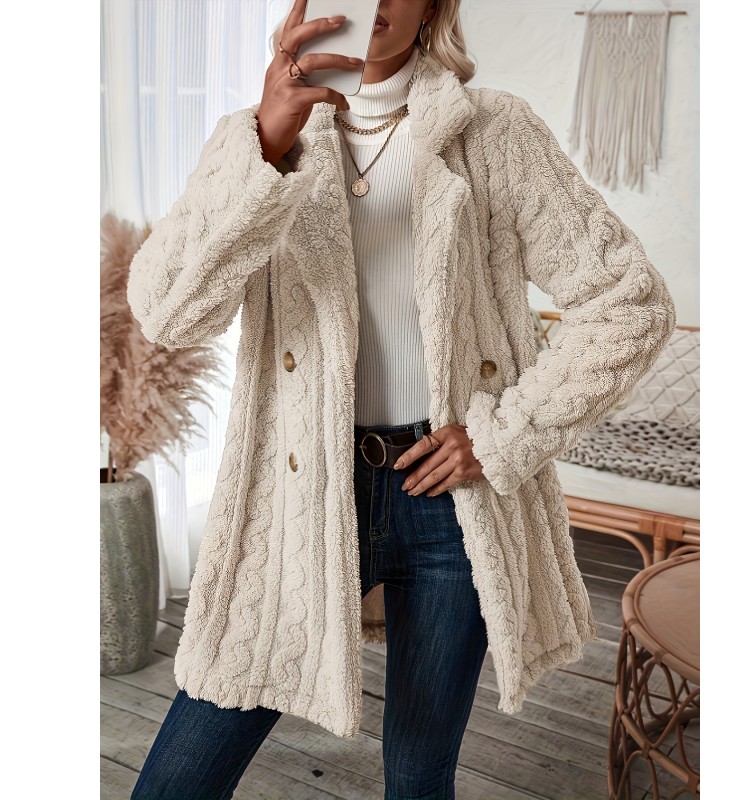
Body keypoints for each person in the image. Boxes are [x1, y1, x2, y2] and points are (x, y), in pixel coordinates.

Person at [127, 0, 676, 797]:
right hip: (299, 492)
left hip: (449, 503)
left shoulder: (495, 132)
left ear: (432, 8)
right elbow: (169, 313)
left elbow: (630, 302)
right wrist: (268, 144)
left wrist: (503, 435)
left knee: (420, 776)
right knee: (181, 773)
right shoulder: (255, 141)